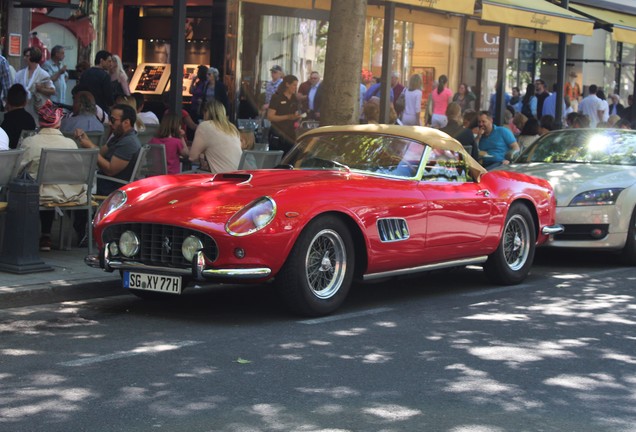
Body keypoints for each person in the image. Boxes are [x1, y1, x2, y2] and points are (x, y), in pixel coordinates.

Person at [19, 101, 85, 251]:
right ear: (58, 122)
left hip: (38, 194)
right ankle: (46, 236)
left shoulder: (30, 142)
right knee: (46, 186)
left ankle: (26, 238)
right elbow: (79, 172)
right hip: (66, 194)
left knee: (28, 185)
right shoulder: (69, 144)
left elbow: (17, 170)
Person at [75, 103, 141, 196]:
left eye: (113, 120)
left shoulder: (128, 142)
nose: (109, 123)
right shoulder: (119, 136)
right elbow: (100, 153)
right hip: (102, 181)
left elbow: (110, 170)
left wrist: (90, 146)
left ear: (126, 122)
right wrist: (87, 141)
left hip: (111, 187)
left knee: (72, 183)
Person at [189, 100, 242, 173]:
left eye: (204, 113)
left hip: (221, 178)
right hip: (238, 177)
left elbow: (192, 157)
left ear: (207, 112)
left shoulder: (205, 126)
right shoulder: (232, 128)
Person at [15, 47, 55, 123]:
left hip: (37, 109)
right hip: (23, 108)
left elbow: (52, 90)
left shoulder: (43, 74)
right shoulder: (20, 74)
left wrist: (40, 89)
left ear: (33, 57)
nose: (24, 58)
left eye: (27, 56)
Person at [267, 74, 302, 155]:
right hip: (277, 133)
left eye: (296, 85)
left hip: (290, 133)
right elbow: (270, 116)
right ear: (287, 84)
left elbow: (296, 112)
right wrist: (287, 117)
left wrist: (298, 118)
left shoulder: (295, 99)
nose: (295, 87)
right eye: (294, 85)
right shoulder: (277, 97)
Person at [1, 84, 37, 149]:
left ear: (7, 101)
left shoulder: (6, 121)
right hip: (25, 154)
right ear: (25, 102)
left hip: (8, 155)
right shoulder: (30, 119)